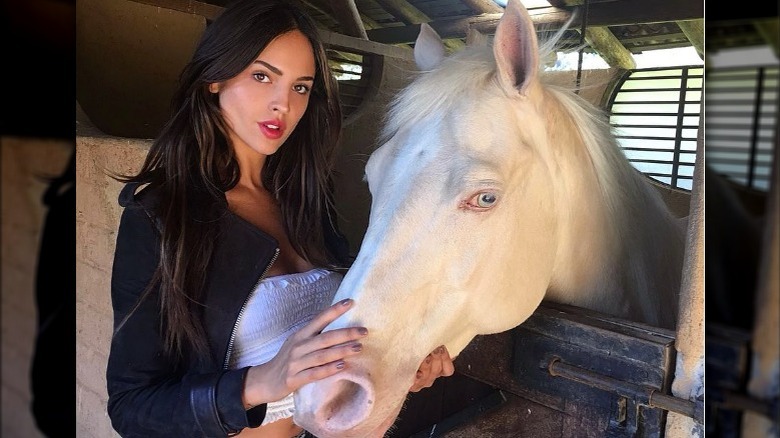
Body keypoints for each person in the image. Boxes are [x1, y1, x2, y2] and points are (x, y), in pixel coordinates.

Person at [105, 1, 454, 437]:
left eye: (301, 87)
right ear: (214, 78)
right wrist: (260, 382)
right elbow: (131, 407)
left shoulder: (308, 201)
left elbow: (332, 354)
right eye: (262, 76)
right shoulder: (161, 217)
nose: (282, 105)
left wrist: (397, 371)